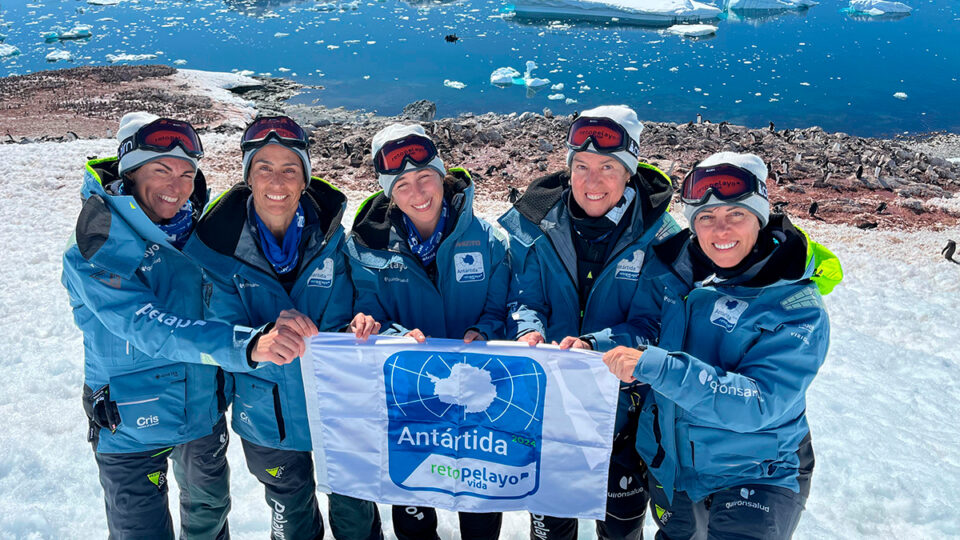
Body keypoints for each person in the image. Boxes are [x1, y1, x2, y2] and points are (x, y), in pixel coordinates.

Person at [62, 112, 307, 539]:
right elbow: (148, 326)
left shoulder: (201, 231)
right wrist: (248, 346)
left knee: (209, 520)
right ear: (130, 171)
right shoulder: (96, 242)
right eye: (161, 171)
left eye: (187, 173)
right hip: (129, 424)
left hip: (201, 414)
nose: (176, 187)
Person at [602, 152, 842, 539]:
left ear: (760, 218)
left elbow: (759, 402)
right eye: (706, 218)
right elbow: (647, 328)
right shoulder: (675, 273)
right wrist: (591, 346)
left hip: (758, 471)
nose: (721, 231)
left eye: (736, 215)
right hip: (675, 468)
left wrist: (657, 367)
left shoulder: (795, 305)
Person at [185, 116, 383, 540]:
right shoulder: (214, 248)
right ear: (248, 177)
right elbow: (211, 333)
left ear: (305, 179)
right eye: (264, 168)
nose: (278, 181)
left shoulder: (334, 238)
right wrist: (259, 339)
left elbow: (368, 294)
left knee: (356, 519)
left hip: (341, 410)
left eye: (290, 169)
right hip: (267, 420)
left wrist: (363, 322)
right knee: (291, 520)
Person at [498, 105, 679, 540]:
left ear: (630, 173)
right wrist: (527, 329)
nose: (591, 181)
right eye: (581, 166)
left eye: (607, 168)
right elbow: (524, 297)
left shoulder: (662, 236)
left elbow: (655, 322)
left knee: (618, 532)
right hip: (548, 413)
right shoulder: (536, 222)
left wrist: (592, 345)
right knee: (551, 529)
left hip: (624, 418)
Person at [345, 123, 510, 540]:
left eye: (425, 178)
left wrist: (482, 330)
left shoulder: (488, 239)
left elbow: (500, 305)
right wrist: (392, 333)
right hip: (412, 397)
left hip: (479, 395)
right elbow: (368, 309)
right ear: (388, 192)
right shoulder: (367, 245)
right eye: (402, 184)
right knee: (415, 497)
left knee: (479, 500)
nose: (417, 194)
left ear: (442, 176)